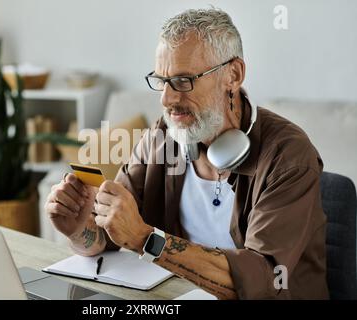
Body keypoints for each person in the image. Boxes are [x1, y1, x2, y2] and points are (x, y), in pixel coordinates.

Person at [44, 8, 328, 299]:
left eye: (183, 81)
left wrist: (146, 239)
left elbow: (263, 281)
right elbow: (109, 235)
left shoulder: (290, 157)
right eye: (162, 81)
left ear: (233, 74)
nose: (166, 99)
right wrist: (79, 230)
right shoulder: (164, 136)